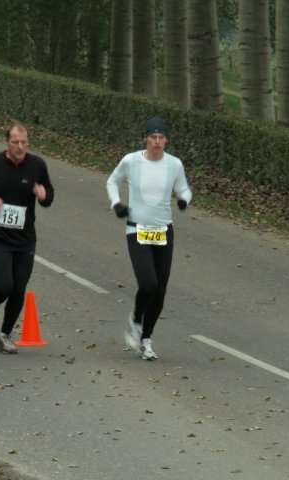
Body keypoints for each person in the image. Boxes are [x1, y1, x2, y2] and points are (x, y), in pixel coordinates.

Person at [106, 117, 192, 360]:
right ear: (145, 138)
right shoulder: (131, 161)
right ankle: (135, 319)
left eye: (161, 137)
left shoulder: (174, 164)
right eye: (153, 137)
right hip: (137, 229)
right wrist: (116, 204)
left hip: (164, 231)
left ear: (166, 140)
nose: (157, 142)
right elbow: (112, 181)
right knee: (148, 284)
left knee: (160, 290)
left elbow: (184, 188)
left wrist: (185, 199)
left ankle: (146, 338)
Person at [0, 123, 54, 354]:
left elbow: (49, 194)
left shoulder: (37, 165)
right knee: (4, 285)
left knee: (19, 289)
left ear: (28, 143)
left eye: (23, 142)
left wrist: (44, 196)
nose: (19, 147)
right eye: (15, 142)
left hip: (25, 237)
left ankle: (5, 334)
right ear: (6, 142)